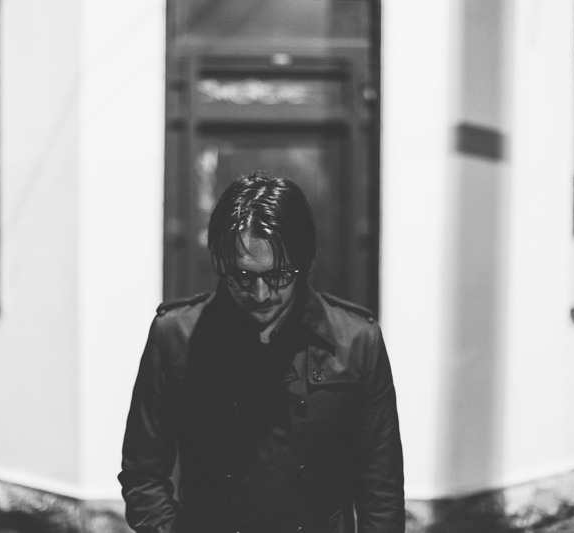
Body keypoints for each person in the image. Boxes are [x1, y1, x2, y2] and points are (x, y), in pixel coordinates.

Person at [119, 172, 405, 533]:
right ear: (219, 262)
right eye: (242, 276)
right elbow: (143, 476)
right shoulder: (175, 335)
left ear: (304, 260)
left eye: (278, 275)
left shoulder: (357, 341)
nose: (261, 294)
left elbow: (381, 492)